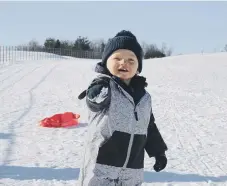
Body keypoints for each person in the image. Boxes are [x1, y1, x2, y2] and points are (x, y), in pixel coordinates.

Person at [78, 30, 168, 186]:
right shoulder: (104, 86)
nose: (124, 63)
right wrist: (98, 87)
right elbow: (94, 103)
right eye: (117, 58)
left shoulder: (145, 97)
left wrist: (158, 152)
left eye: (131, 60)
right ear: (106, 62)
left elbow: (149, 126)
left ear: (138, 68)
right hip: (103, 163)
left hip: (133, 169)